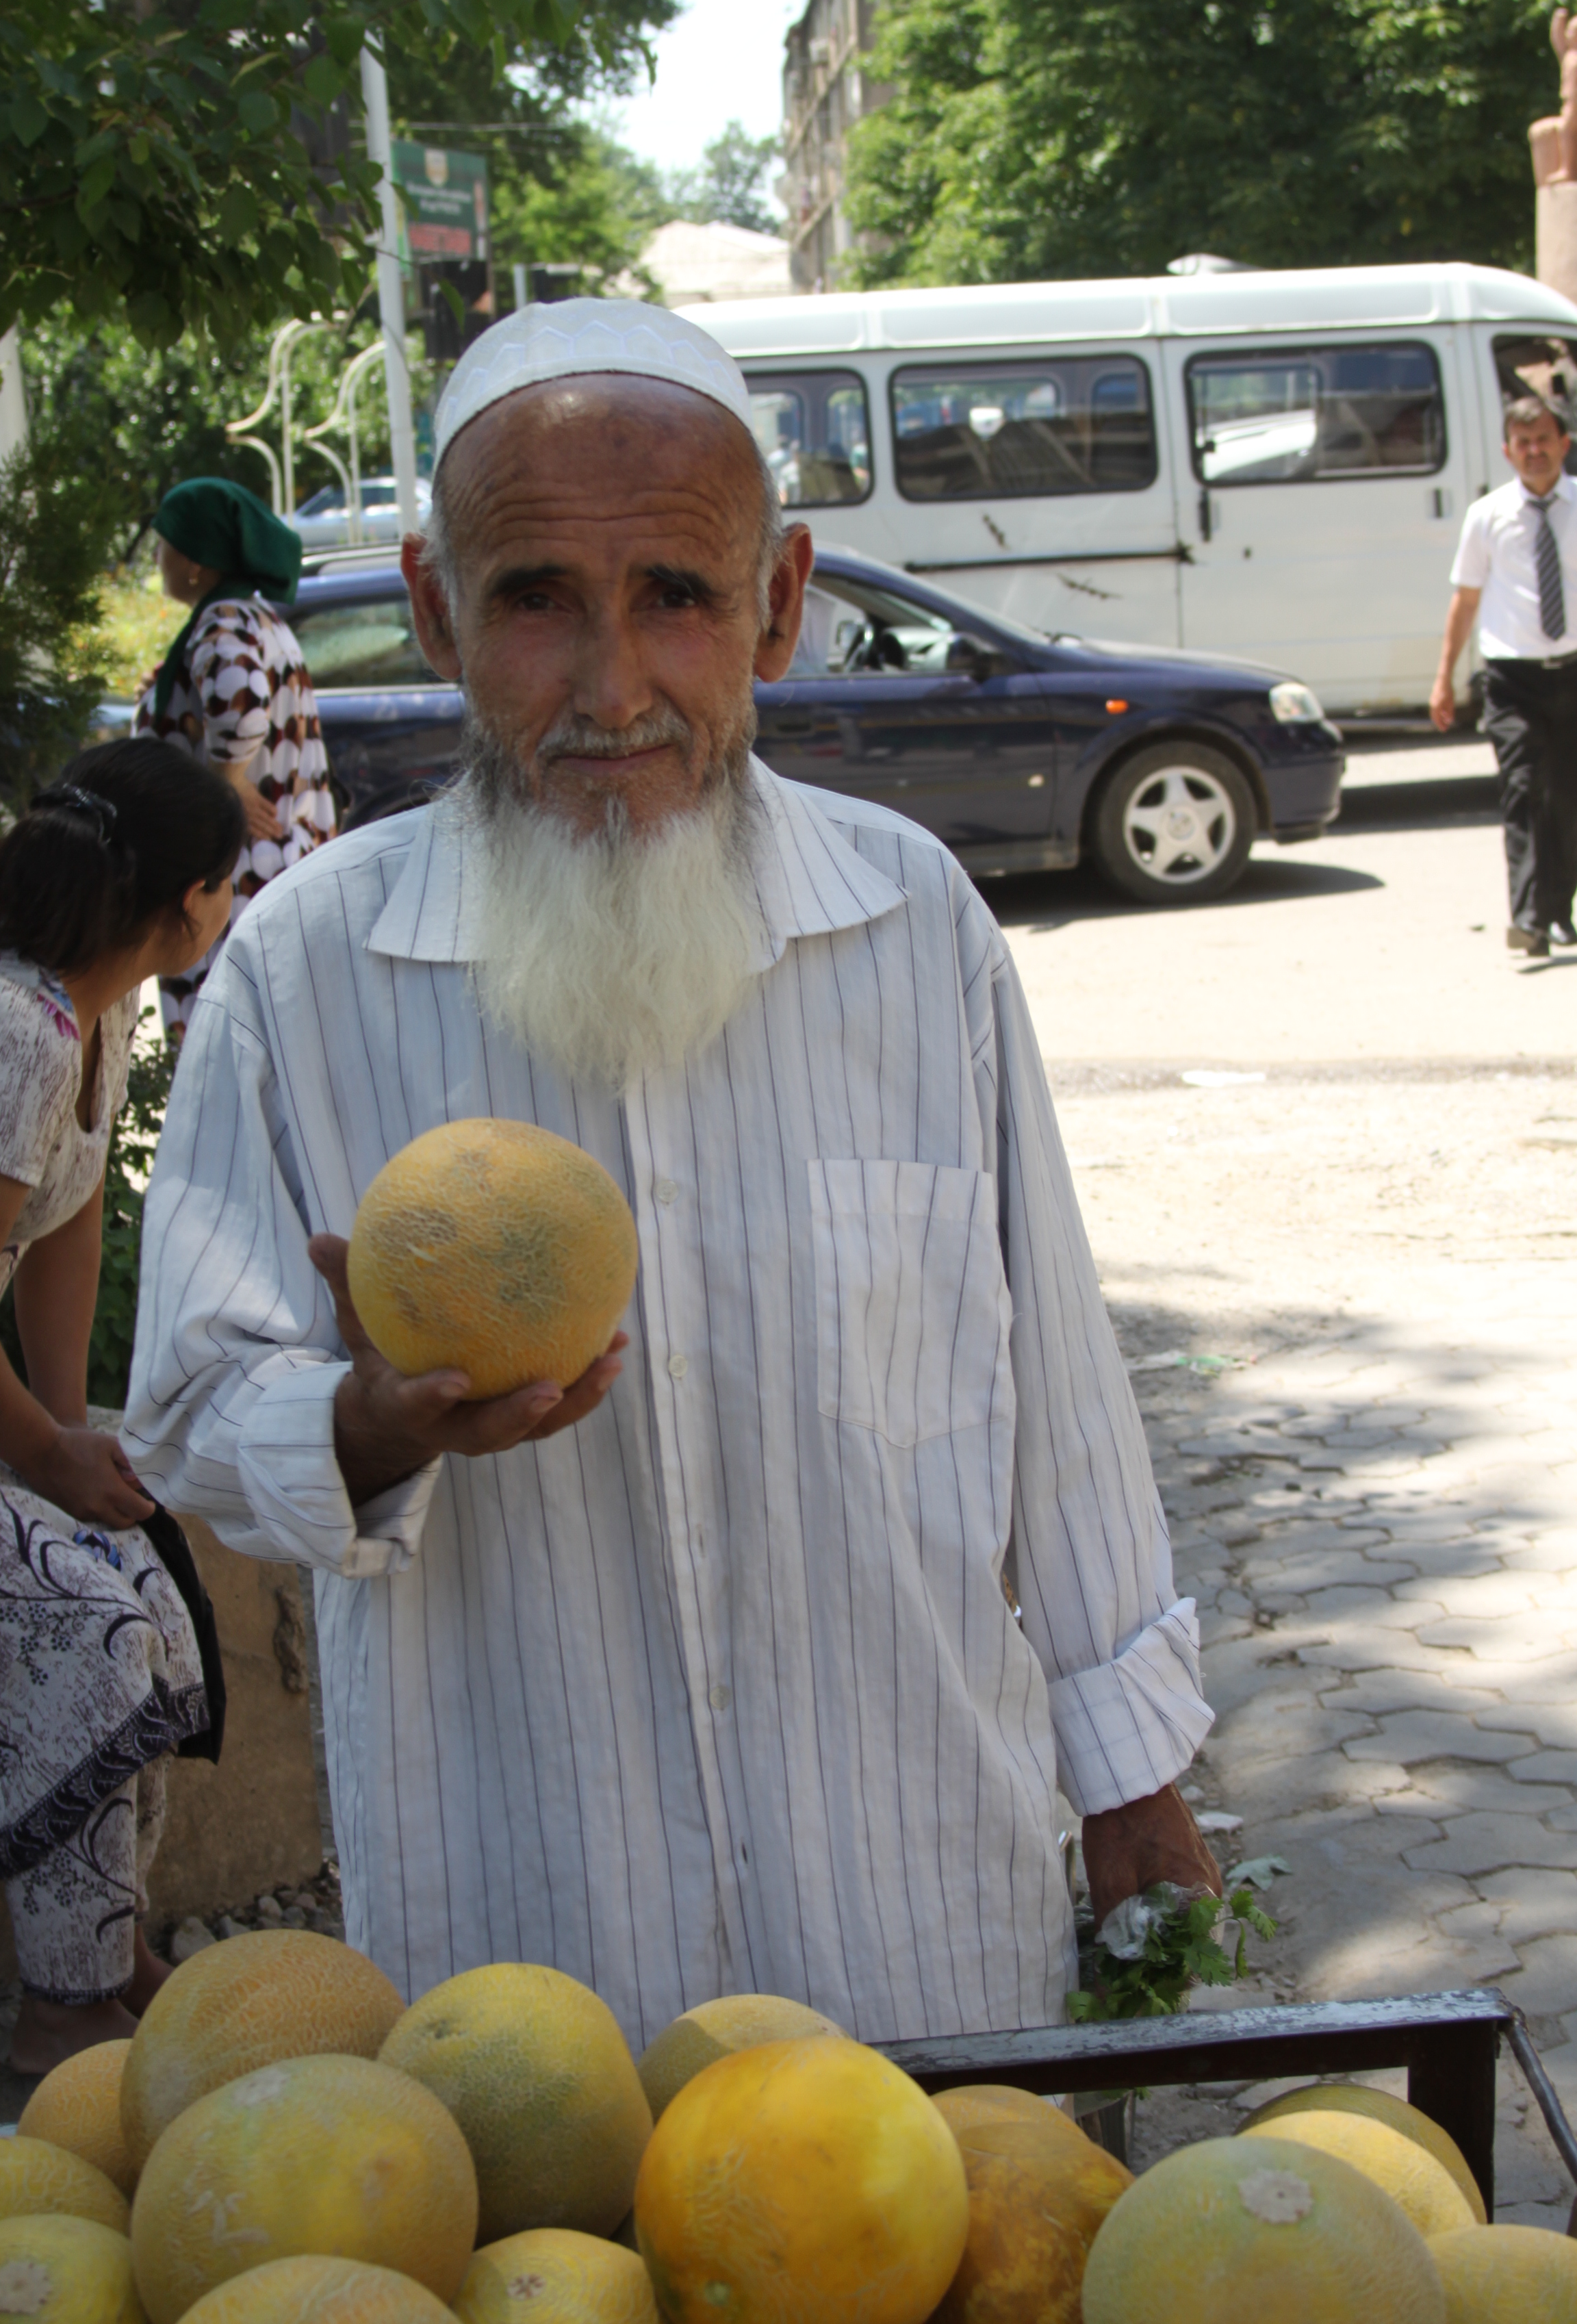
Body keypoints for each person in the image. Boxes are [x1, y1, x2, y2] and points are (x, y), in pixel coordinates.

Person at [125, 302, 1218, 2047]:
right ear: (435, 610)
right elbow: (186, 1409)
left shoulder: (912, 919)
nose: (613, 686)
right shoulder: (304, 970)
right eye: (538, 597)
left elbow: (1059, 1397)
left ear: (778, 603)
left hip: (919, 1921)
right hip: (531, 1972)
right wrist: (363, 1420)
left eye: (678, 599)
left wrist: (1134, 1782)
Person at [1, 737, 242, 2073]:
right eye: (227, 883)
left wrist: (63, 1438)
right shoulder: (17, 1032)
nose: (231, 906)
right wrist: (40, 1455)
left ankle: (109, 1947)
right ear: (179, 905)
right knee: (93, 1631)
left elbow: (66, 1234)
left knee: (152, 1602)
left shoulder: (90, 1020)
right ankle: (59, 2004)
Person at [135, 476, 337, 1036]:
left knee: (227, 1043)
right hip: (268, 872)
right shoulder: (254, 618)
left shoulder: (222, 622)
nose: (159, 557)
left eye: (165, 543)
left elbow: (242, 709)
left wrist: (226, 781)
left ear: (197, 560)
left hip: (235, 881)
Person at [1431, 395, 1577, 956]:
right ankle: (1530, 919)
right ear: (1507, 451)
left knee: (1566, 798)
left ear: (1564, 443)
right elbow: (1465, 601)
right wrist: (1443, 678)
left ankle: (1561, 911)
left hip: (1574, 673)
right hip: (1512, 678)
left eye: (1544, 439)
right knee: (1522, 791)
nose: (1534, 451)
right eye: (1523, 443)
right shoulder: (1488, 516)